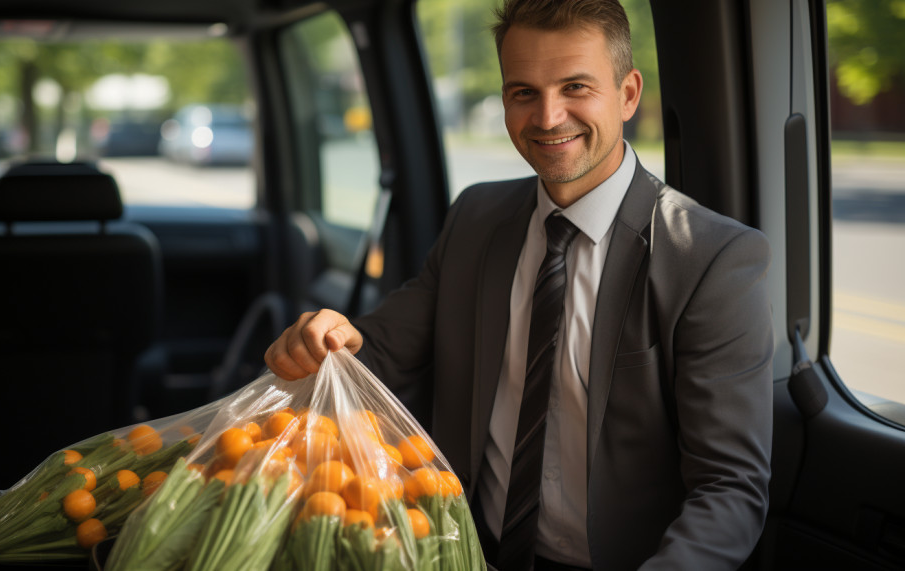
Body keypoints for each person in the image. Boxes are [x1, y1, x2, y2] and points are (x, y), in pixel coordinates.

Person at [265, 1, 774, 569]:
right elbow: (378, 351)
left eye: (576, 87)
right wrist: (328, 339)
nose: (549, 117)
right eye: (523, 93)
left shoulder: (710, 257)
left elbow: (729, 488)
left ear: (628, 94)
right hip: (458, 547)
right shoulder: (475, 217)